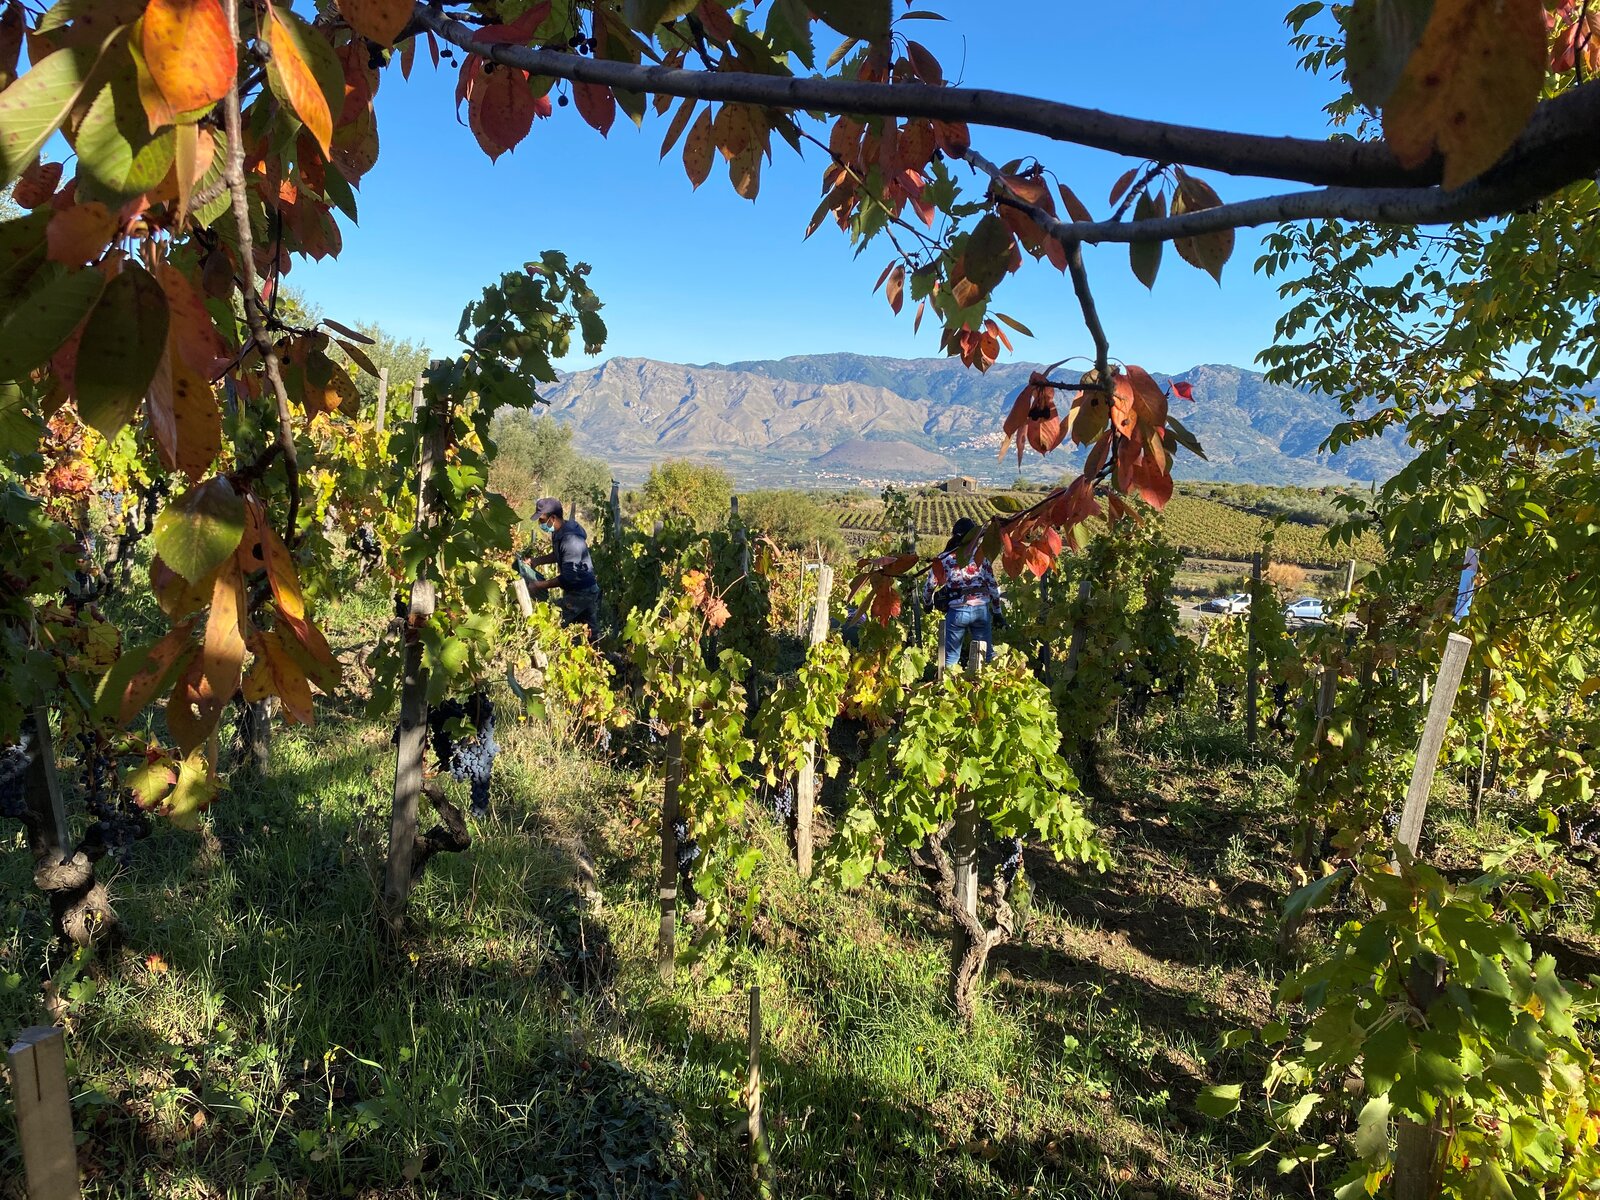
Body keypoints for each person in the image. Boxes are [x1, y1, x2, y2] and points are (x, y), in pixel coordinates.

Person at [923, 516, 1002, 671]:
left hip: (958, 611)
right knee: (985, 656)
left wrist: (928, 603)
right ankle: (982, 687)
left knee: (951, 658)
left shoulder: (944, 558)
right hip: (981, 611)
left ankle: (948, 690)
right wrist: (998, 612)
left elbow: (930, 585)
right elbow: (993, 586)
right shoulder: (981, 557)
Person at [520, 498, 601, 639]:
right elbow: (558, 554)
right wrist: (536, 561)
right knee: (589, 634)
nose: (540, 524)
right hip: (583, 589)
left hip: (581, 592)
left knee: (551, 620)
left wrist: (539, 585)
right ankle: (598, 655)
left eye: (542, 520)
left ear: (553, 518)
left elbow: (569, 577)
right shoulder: (559, 531)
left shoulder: (571, 540)